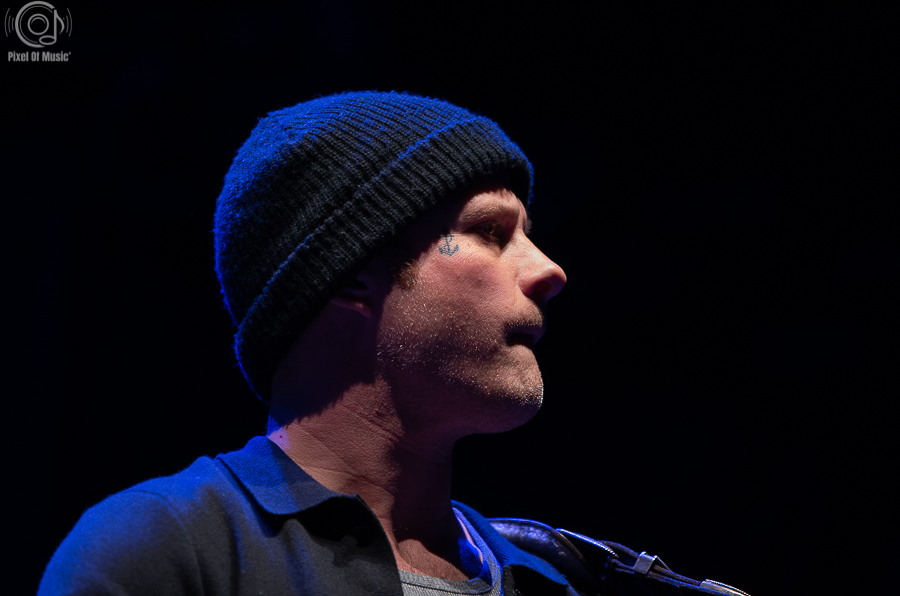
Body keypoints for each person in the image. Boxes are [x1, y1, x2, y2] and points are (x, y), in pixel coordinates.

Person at [39, 92, 746, 596]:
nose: (550, 270)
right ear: (351, 277)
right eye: (491, 232)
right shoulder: (162, 547)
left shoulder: (548, 579)